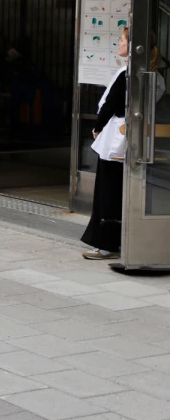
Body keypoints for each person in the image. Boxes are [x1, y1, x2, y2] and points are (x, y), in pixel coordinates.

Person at [83, 27, 130, 261]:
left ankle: (106, 243)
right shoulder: (144, 73)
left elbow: (110, 104)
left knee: (108, 191)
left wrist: (98, 126)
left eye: (121, 40)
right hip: (124, 140)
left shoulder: (126, 74)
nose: (118, 44)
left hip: (115, 140)